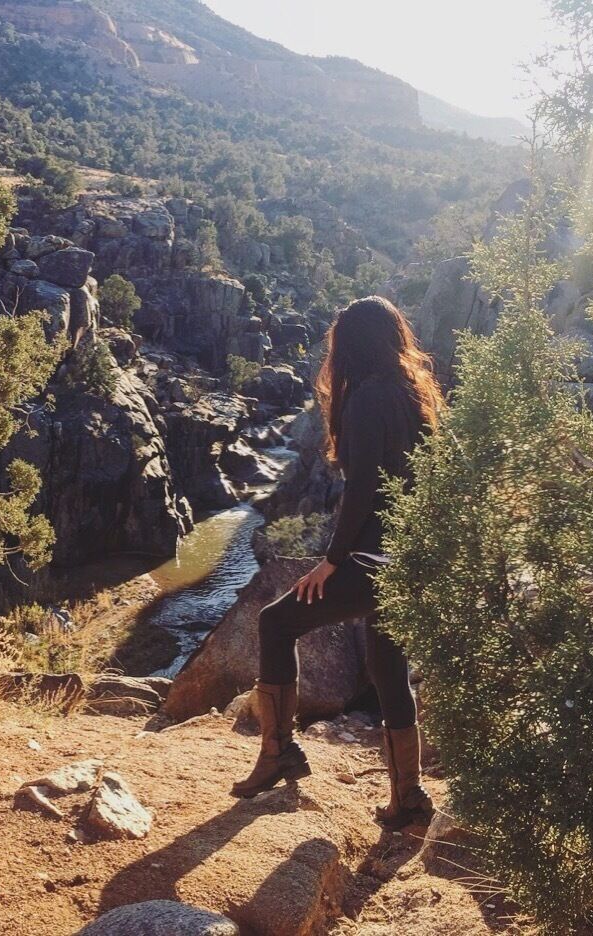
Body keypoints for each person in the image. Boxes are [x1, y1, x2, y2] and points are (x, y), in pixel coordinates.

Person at [231, 296, 444, 829]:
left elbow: (364, 489)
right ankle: (408, 798)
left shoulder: (366, 399)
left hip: (373, 556)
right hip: (408, 555)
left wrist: (331, 559)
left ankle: (278, 752)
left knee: (275, 622)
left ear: (349, 345)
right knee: (387, 668)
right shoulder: (409, 394)